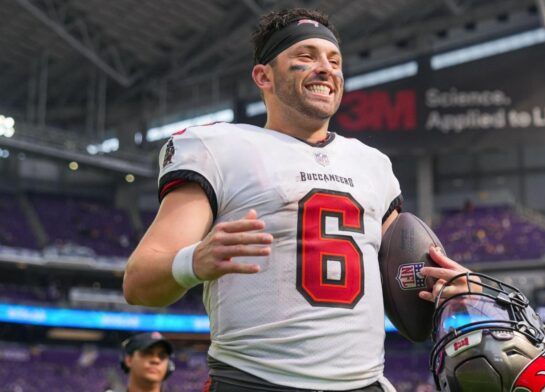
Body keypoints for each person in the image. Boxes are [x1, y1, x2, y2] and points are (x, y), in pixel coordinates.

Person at [123, 8, 471, 391]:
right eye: (305, 57)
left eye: (334, 61)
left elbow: (399, 274)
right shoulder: (218, 147)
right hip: (255, 381)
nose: (325, 68)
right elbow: (139, 282)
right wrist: (194, 261)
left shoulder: (373, 164)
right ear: (263, 76)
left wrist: (440, 284)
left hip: (364, 383)